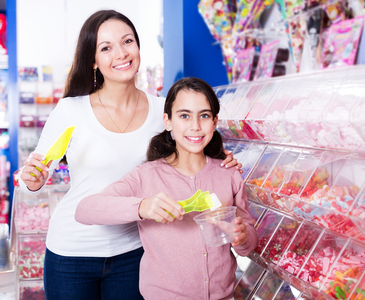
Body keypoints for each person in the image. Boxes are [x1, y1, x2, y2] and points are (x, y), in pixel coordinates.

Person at [18, 10, 241, 300]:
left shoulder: (165, 111)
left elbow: (196, 147)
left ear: (138, 46)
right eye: (106, 48)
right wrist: (31, 178)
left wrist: (224, 157)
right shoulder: (71, 110)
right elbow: (34, 175)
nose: (121, 53)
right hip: (71, 253)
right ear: (93, 60)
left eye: (127, 41)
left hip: (134, 253)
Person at [75, 77, 258, 300]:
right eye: (184, 115)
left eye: (204, 115)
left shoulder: (228, 174)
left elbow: (247, 245)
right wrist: (143, 207)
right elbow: (85, 210)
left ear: (215, 122)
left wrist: (241, 237)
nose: (195, 126)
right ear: (168, 121)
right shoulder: (147, 176)